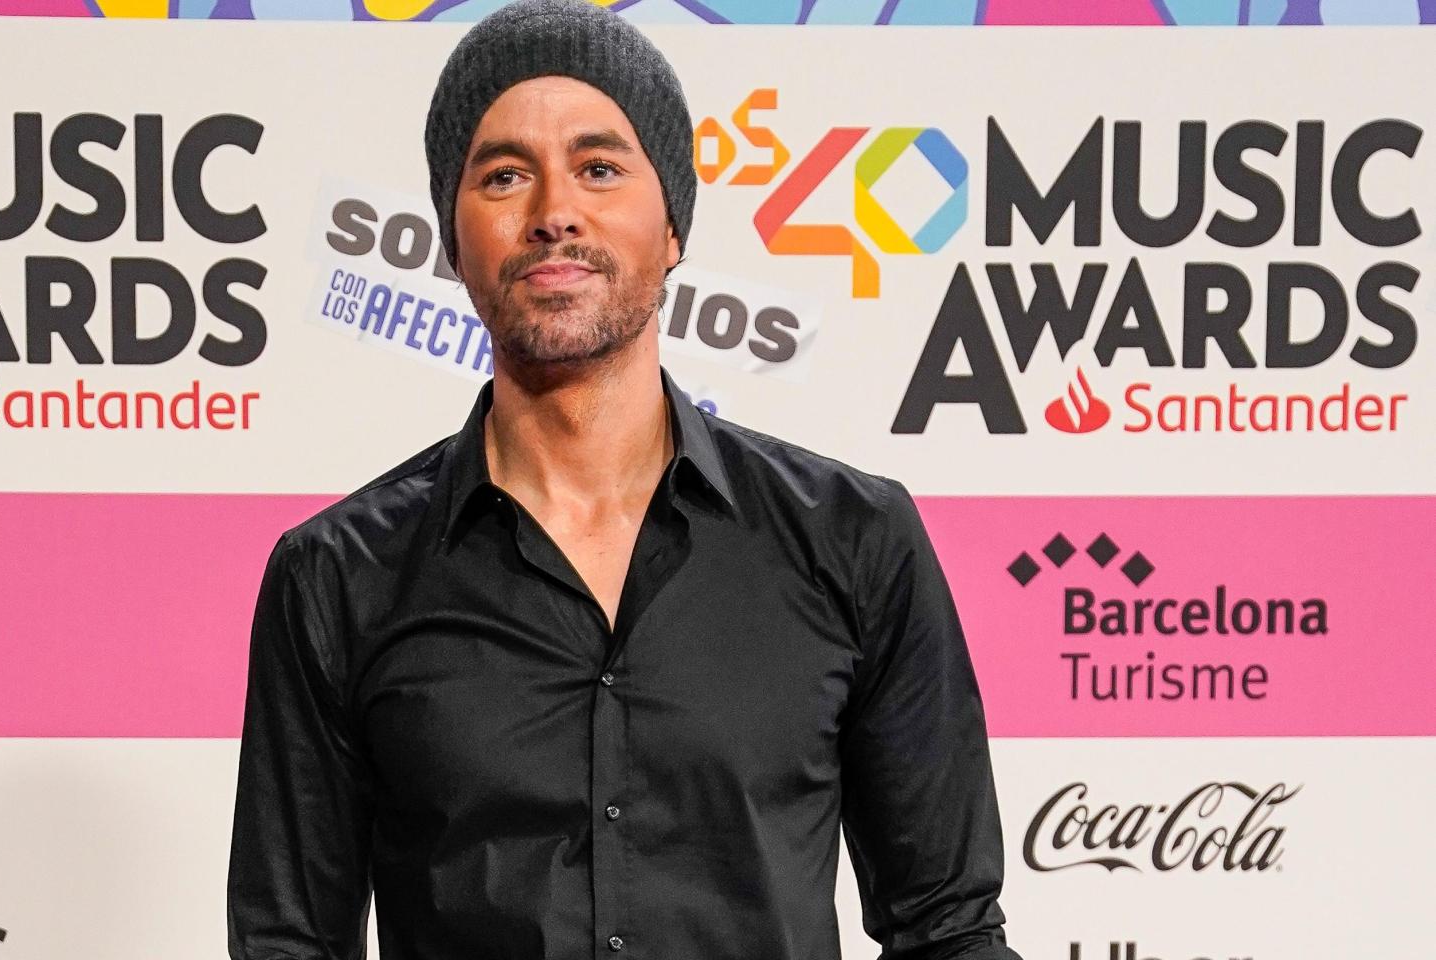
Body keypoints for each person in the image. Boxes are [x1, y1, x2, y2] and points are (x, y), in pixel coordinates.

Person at [227, 1, 1023, 957]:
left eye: (599, 168)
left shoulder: (855, 538)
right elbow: (289, 944)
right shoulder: (336, 576)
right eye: (504, 175)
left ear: (674, 225)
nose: (553, 212)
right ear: (450, 241)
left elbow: (949, 931)